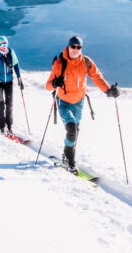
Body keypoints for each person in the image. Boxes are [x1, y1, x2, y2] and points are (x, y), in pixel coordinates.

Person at [45, 36, 118, 174]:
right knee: (71, 130)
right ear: (68, 47)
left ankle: (66, 155)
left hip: (79, 101)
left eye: (78, 47)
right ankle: (71, 163)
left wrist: (108, 90)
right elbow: (48, 86)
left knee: (75, 132)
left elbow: (97, 77)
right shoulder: (60, 63)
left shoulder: (86, 62)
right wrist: (55, 84)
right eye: (73, 46)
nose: (75, 49)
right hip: (64, 102)